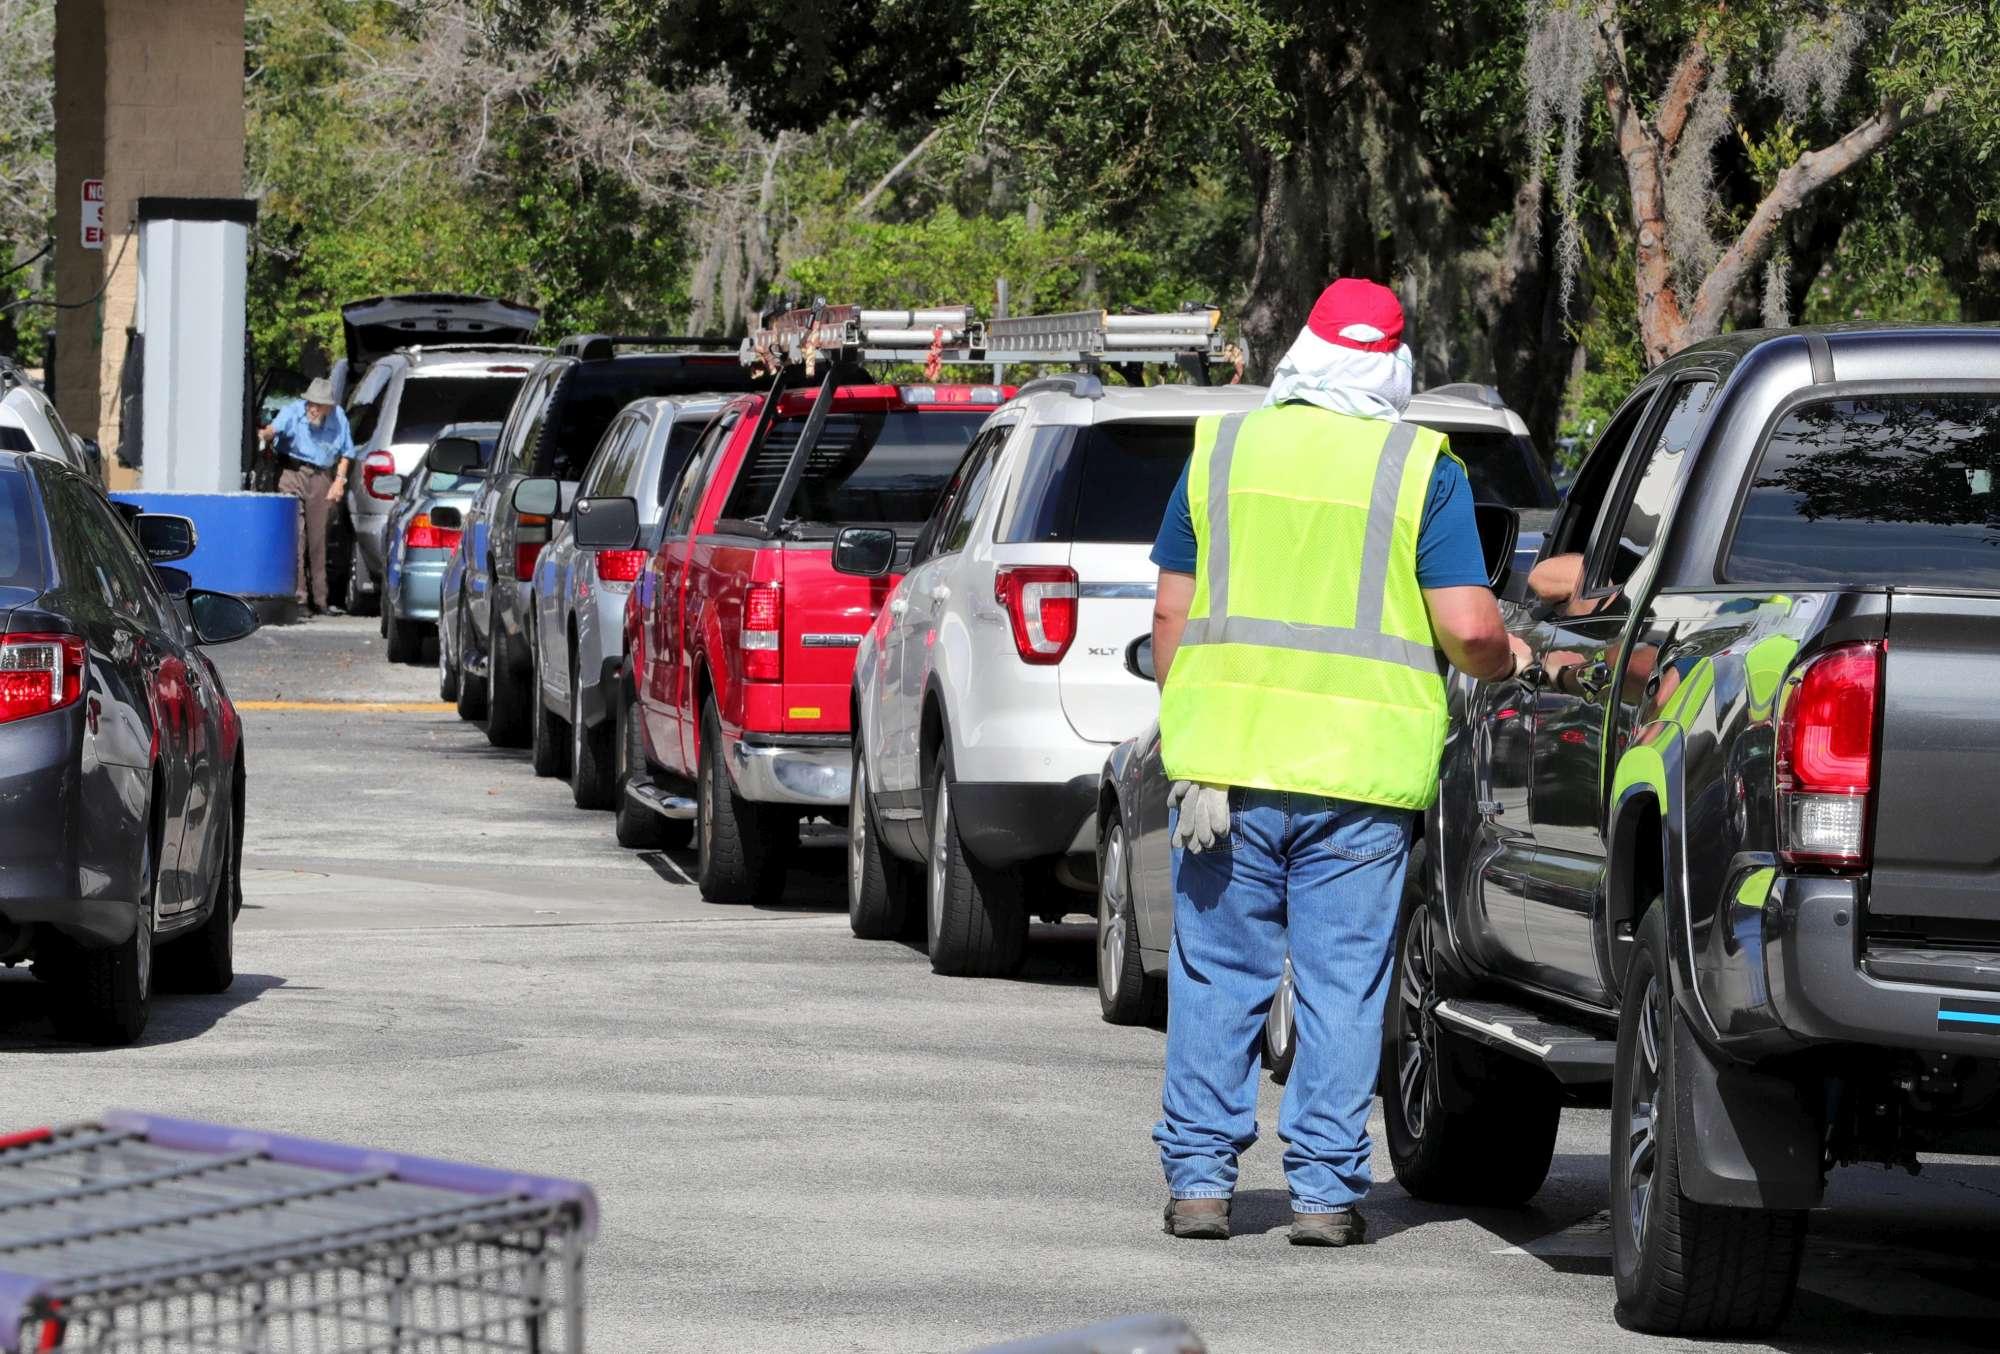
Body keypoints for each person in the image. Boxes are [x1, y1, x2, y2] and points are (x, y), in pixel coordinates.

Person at [1147, 278, 1529, 1246]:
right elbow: (1468, 625)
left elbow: (1168, 623)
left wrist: (1197, 713)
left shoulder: (1218, 450)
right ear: (1392, 366)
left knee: (1215, 976)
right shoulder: (1418, 467)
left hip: (1224, 772)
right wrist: (1510, 657)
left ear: (1302, 353)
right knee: (1341, 982)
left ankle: (1198, 1183)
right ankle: (1321, 1192)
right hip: (1358, 781)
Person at [259, 377, 355, 616]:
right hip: (292, 473)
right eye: (310, 403)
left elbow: (347, 453)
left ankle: (320, 600)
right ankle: (299, 599)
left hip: (321, 477)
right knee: (297, 535)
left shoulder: (338, 416)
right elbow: (274, 430)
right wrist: (266, 434)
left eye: (319, 404)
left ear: (329, 406)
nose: (313, 408)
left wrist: (339, 482)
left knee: (318, 538)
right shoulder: (292, 412)